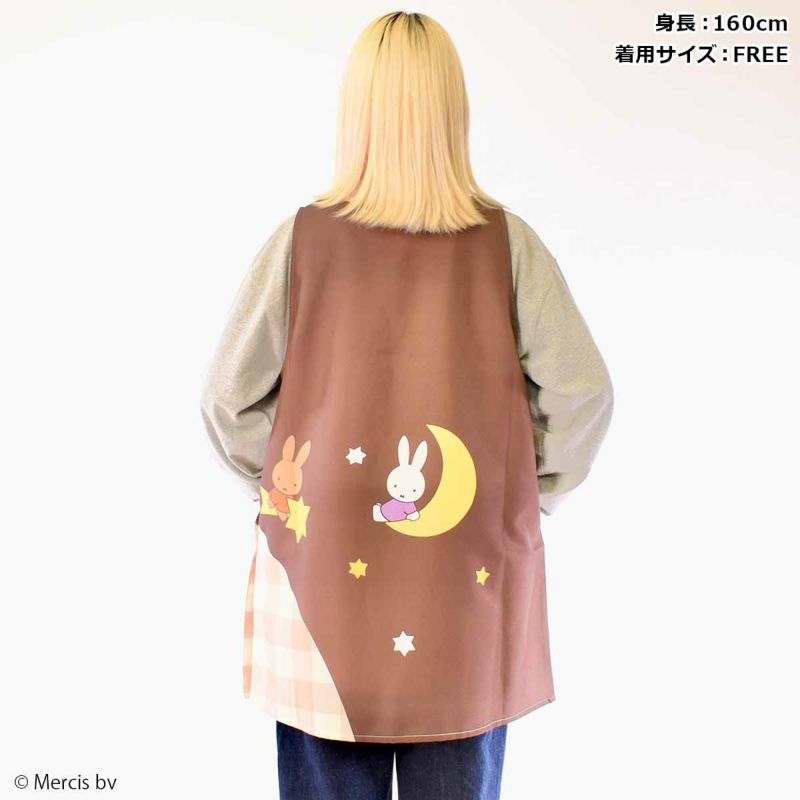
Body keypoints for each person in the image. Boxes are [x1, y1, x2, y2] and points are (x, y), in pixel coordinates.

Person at [200, 11, 614, 800]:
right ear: (453, 112)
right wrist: (529, 490)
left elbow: (227, 398)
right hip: (466, 578)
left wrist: (285, 483)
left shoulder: (300, 242)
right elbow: (582, 391)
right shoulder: (507, 244)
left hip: (323, 573)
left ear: (355, 113)